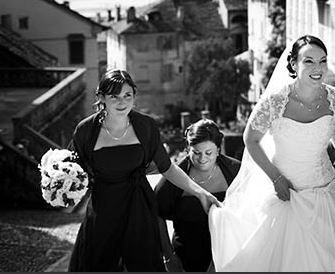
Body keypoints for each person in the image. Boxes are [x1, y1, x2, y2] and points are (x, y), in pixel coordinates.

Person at [209, 35, 335, 271]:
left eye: (322, 61)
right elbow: (250, 140)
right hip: (287, 192)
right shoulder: (275, 101)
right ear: (294, 64)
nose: (318, 68)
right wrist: (276, 179)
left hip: (323, 191)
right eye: (309, 61)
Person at [67, 69, 222, 272]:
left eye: (127, 95)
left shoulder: (146, 126)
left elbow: (167, 168)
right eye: (114, 96)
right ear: (102, 98)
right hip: (103, 210)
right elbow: (69, 169)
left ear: (134, 96)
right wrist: (60, 189)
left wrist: (199, 192)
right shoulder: (86, 130)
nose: (122, 102)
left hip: (139, 208)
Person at [155, 118, 241, 271]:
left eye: (208, 153)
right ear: (188, 149)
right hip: (187, 258)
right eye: (196, 152)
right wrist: (168, 255)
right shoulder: (174, 177)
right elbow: (156, 213)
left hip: (228, 254)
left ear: (218, 150)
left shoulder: (235, 172)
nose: (202, 158)